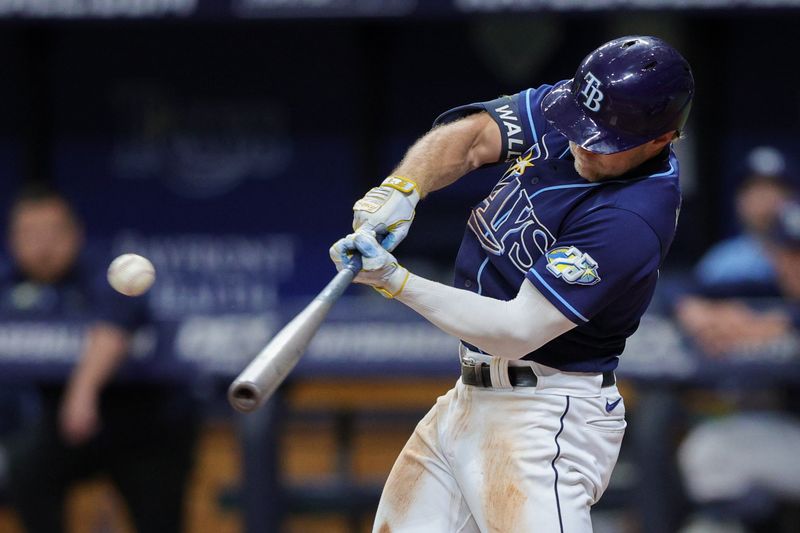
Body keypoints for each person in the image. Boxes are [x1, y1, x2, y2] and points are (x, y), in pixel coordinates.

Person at [330, 35, 694, 532]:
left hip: (544, 415)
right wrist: (403, 188)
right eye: (578, 127)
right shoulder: (581, 107)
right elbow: (475, 136)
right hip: (467, 398)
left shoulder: (632, 216)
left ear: (661, 138)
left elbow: (518, 328)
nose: (582, 143)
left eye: (603, 140)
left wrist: (395, 280)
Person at [1, 184, 197, 533]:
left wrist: (83, 391)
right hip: (66, 427)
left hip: (146, 422)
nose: (42, 246)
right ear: (13, 240)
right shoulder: (9, 283)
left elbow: (112, 329)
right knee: (28, 467)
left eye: (52, 233)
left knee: (159, 519)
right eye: (30, 234)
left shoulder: (108, 271)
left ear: (75, 234)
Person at [676, 200, 800, 533]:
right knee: (711, 450)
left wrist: (777, 323)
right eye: (788, 253)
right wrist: (701, 312)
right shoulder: (769, 289)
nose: (794, 265)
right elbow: (681, 292)